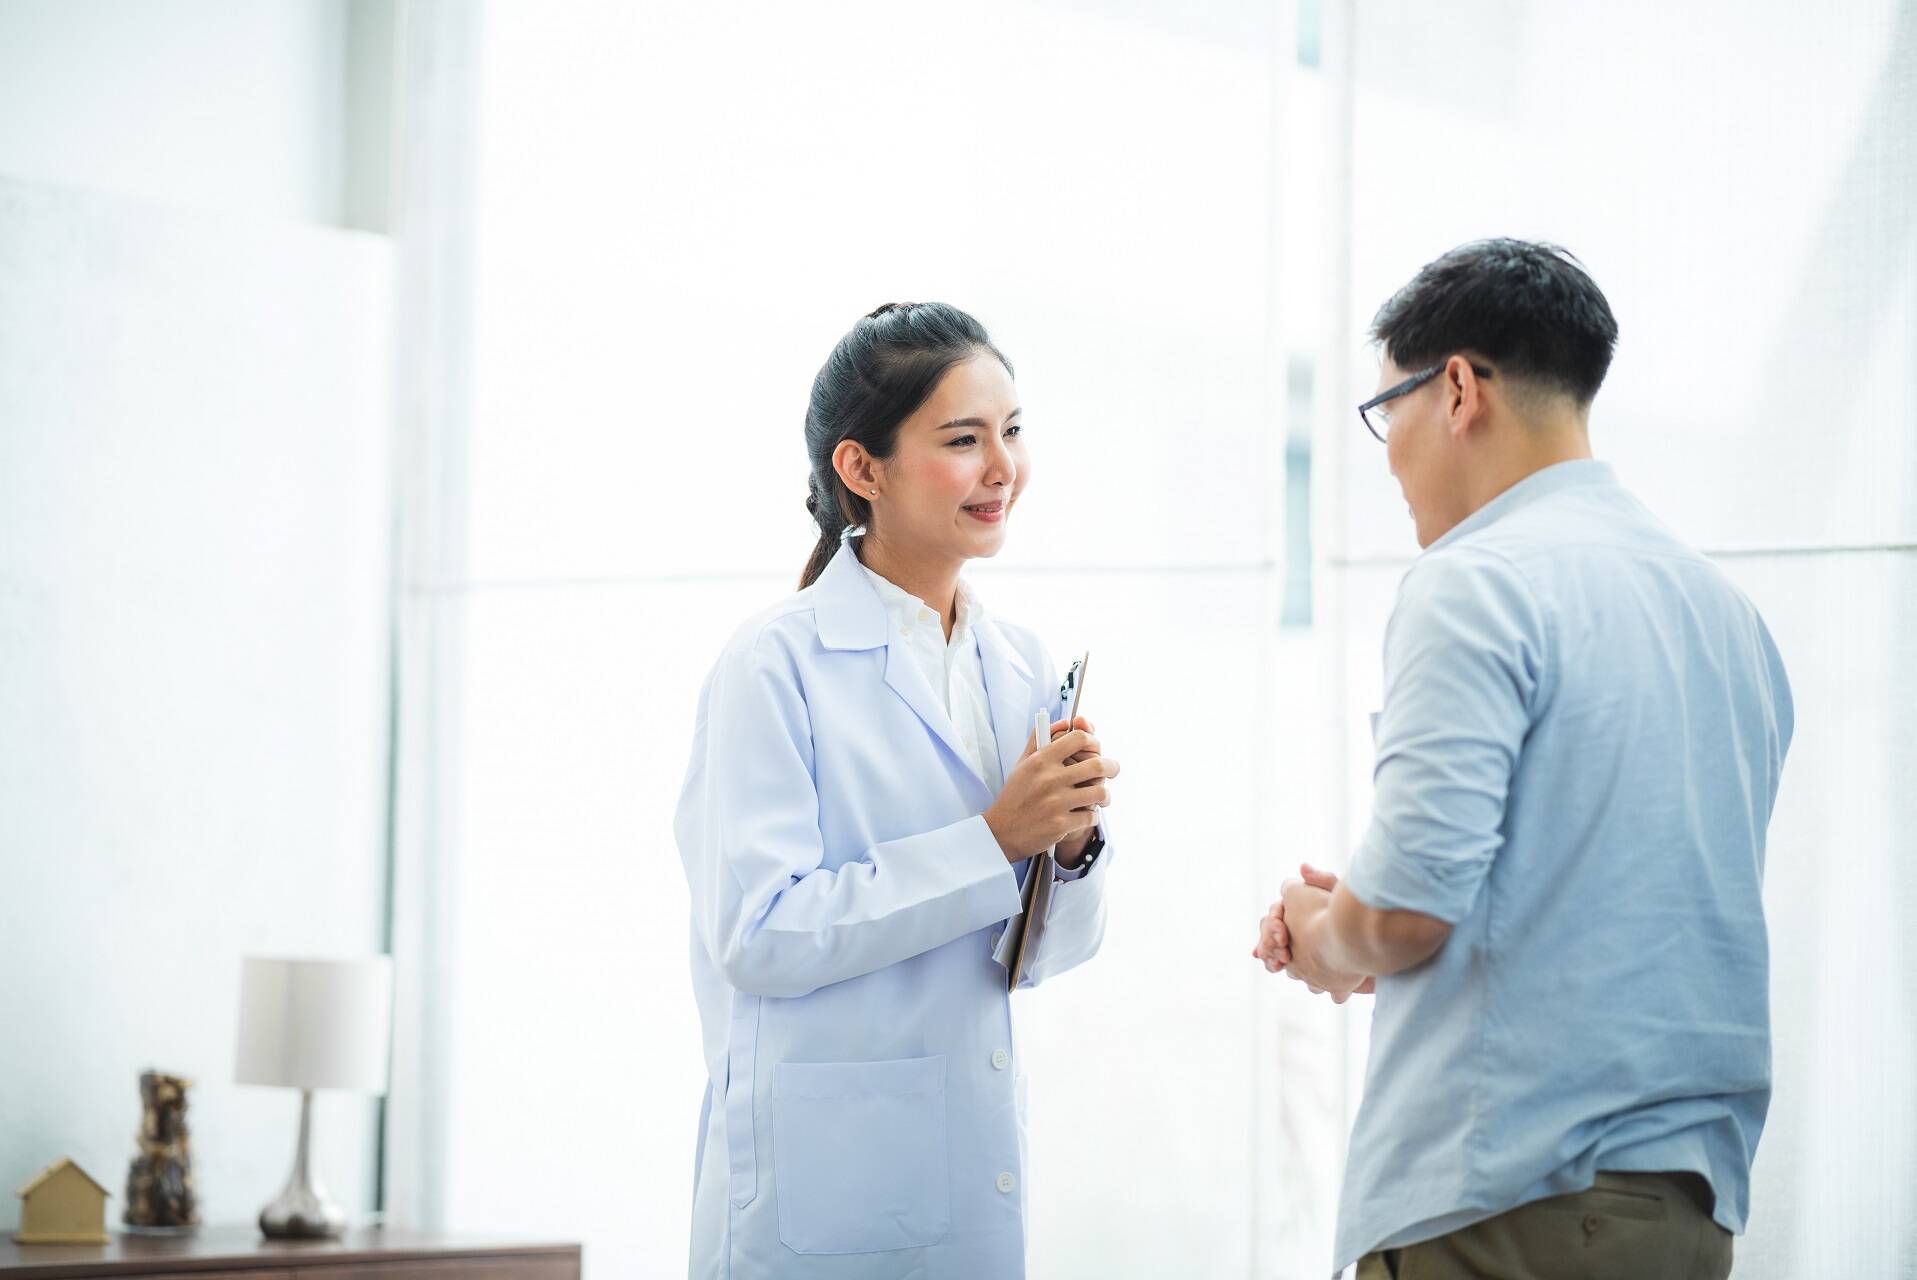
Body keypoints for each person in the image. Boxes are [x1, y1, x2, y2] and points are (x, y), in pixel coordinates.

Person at [1252, 240, 1793, 1278]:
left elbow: (1404, 913)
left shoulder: (1475, 582)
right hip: (1687, 1215)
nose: (1389, 454)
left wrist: (1327, 935)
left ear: (1456, 388)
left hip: (1501, 1204)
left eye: (1385, 414)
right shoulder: (1728, 616)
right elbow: (1609, 914)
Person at [676, 302, 1120, 1278]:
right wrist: (997, 837)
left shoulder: (1018, 663)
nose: (1001, 466)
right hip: (818, 1193)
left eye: (1011, 430)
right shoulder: (771, 664)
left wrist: (1072, 849)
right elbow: (760, 931)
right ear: (860, 468)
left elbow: (1039, 955)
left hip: (966, 1168)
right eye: (963, 439)